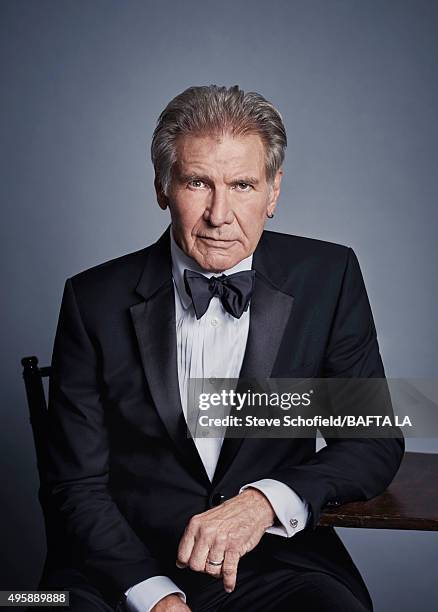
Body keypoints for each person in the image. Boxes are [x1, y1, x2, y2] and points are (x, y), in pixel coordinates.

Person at [41, 85, 404, 612]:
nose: (220, 213)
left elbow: (372, 443)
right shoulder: (92, 299)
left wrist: (265, 501)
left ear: (273, 192)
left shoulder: (330, 276)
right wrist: (154, 595)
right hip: (119, 568)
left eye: (242, 184)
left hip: (275, 564)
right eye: (197, 182)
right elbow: (75, 484)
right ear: (162, 186)